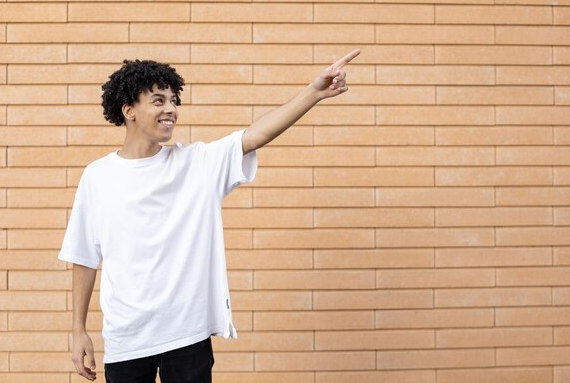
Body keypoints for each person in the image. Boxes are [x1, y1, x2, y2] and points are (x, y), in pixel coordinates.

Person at [57, 49, 360, 383]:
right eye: (158, 101)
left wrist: (313, 93)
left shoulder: (197, 164)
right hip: (127, 339)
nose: (170, 109)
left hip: (187, 334)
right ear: (129, 110)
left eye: (174, 100)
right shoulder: (98, 176)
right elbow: (84, 256)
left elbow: (256, 134)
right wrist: (78, 331)